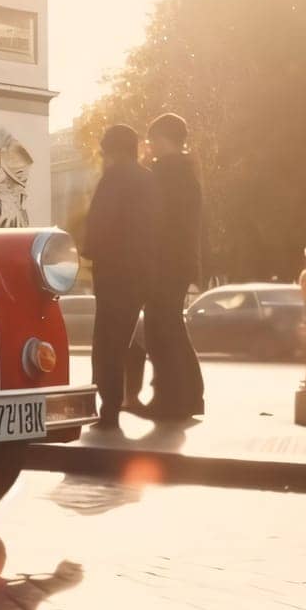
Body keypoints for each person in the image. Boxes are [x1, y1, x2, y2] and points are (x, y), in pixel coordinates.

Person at [83, 124, 156, 428]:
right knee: (129, 337)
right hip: (142, 271)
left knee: (106, 341)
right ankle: (131, 396)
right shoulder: (149, 181)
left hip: (114, 270)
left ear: (112, 150)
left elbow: (100, 221)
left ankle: (108, 407)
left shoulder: (113, 179)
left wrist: (90, 251)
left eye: (104, 149)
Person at [134, 113, 205, 418]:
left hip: (163, 262)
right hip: (180, 261)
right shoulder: (188, 173)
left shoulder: (164, 173)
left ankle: (168, 399)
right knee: (172, 327)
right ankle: (189, 396)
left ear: (162, 139)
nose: (149, 147)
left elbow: (154, 222)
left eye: (151, 140)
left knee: (160, 329)